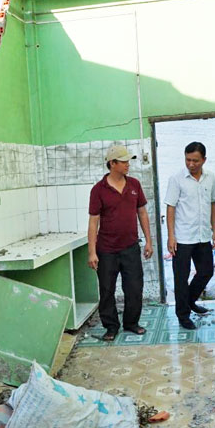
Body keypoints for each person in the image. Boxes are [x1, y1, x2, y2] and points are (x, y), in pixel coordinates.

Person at [87, 144, 155, 341]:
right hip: (106, 249)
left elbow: (142, 213)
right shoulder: (98, 190)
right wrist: (92, 252)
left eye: (128, 161)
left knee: (134, 287)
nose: (127, 165)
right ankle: (110, 326)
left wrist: (149, 241)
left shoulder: (134, 185)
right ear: (112, 163)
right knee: (107, 289)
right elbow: (93, 222)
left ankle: (131, 323)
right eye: (123, 162)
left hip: (130, 247)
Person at [164, 141, 215, 329]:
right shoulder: (176, 178)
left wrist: (214, 231)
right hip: (183, 237)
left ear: (204, 159)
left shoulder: (211, 177)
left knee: (206, 272)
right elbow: (170, 207)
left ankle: (189, 301)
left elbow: (213, 204)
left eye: (195, 160)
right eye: (188, 160)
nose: (191, 164)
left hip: (203, 235)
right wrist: (171, 236)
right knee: (181, 277)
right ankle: (183, 315)